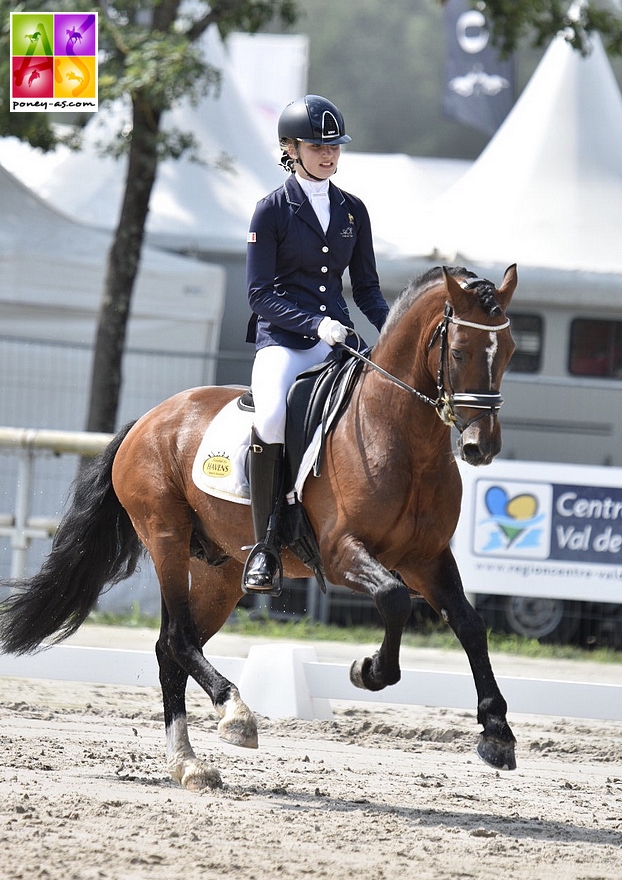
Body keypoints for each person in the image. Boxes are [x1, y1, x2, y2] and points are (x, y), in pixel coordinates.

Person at [243, 94, 390, 592]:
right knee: (270, 418)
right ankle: (265, 545)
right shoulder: (271, 210)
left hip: (338, 343)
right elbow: (259, 294)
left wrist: (390, 334)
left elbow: (366, 288)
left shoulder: (353, 210)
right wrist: (312, 325)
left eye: (334, 146)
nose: (328, 155)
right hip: (284, 341)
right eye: (316, 145)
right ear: (290, 147)